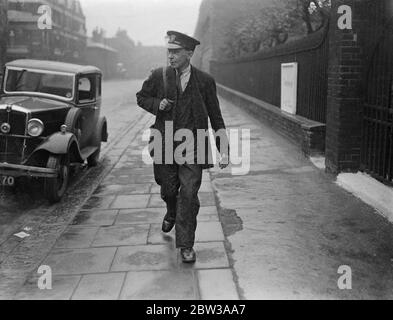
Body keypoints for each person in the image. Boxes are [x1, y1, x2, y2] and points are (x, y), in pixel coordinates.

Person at [136, 30, 229, 263]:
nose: (171, 56)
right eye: (169, 51)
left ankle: (186, 245)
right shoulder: (160, 76)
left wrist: (224, 149)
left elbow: (216, 117)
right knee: (169, 189)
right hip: (165, 143)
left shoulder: (205, 81)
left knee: (188, 193)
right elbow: (141, 97)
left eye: (176, 52)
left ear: (189, 53)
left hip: (193, 146)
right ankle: (171, 210)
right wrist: (159, 104)